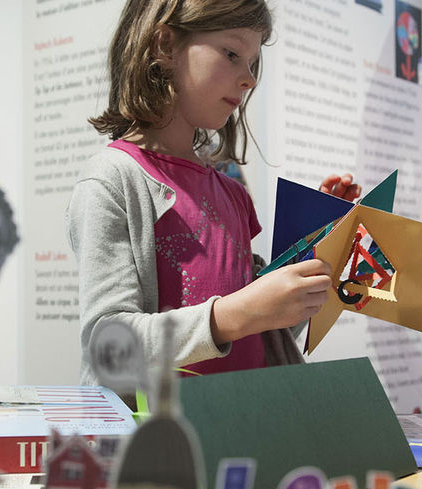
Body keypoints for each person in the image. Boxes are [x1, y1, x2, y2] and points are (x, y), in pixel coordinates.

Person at [66, 0, 360, 388]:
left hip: (244, 428)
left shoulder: (232, 193)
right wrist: (235, 314)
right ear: (165, 45)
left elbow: (264, 332)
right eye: (232, 53)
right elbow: (109, 346)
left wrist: (316, 250)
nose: (249, 79)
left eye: (252, 62)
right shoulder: (113, 180)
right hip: (162, 438)